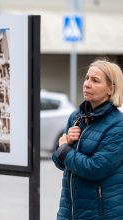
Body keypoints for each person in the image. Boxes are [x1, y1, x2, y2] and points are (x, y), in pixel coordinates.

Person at [52, 58, 123, 220]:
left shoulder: (118, 125)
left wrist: (64, 150)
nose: (87, 84)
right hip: (69, 211)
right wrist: (65, 143)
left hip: (102, 215)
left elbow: (96, 168)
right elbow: (59, 162)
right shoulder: (76, 117)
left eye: (95, 80)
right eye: (87, 78)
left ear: (110, 89)